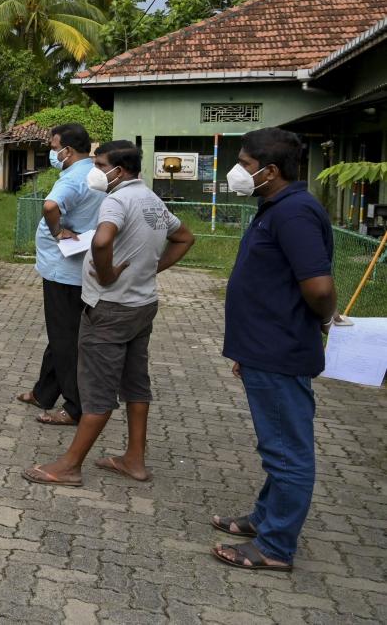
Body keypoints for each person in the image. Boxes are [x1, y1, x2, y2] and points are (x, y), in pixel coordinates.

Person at [23, 140, 194, 486]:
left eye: (100, 166)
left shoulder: (116, 200)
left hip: (110, 308)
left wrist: (106, 274)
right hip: (142, 305)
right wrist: (151, 270)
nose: (96, 172)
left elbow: (102, 242)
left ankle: (70, 465)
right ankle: (134, 459)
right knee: (135, 384)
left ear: (120, 169)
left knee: (98, 389)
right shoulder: (151, 198)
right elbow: (184, 238)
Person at [212, 128, 335, 573]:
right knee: (276, 445)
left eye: (244, 164)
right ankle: (264, 518)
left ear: (271, 170)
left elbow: (318, 286)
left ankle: (276, 546)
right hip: (264, 346)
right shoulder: (275, 207)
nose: (238, 172)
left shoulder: (295, 213)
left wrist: (323, 319)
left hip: (280, 349)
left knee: (287, 452)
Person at [18, 124, 104, 427]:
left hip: (63, 270)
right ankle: (44, 391)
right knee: (62, 334)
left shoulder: (74, 177)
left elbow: (51, 206)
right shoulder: (95, 174)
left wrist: (57, 231)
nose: (53, 153)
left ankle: (75, 405)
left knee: (65, 339)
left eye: (55, 148)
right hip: (75, 269)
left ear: (67, 149)